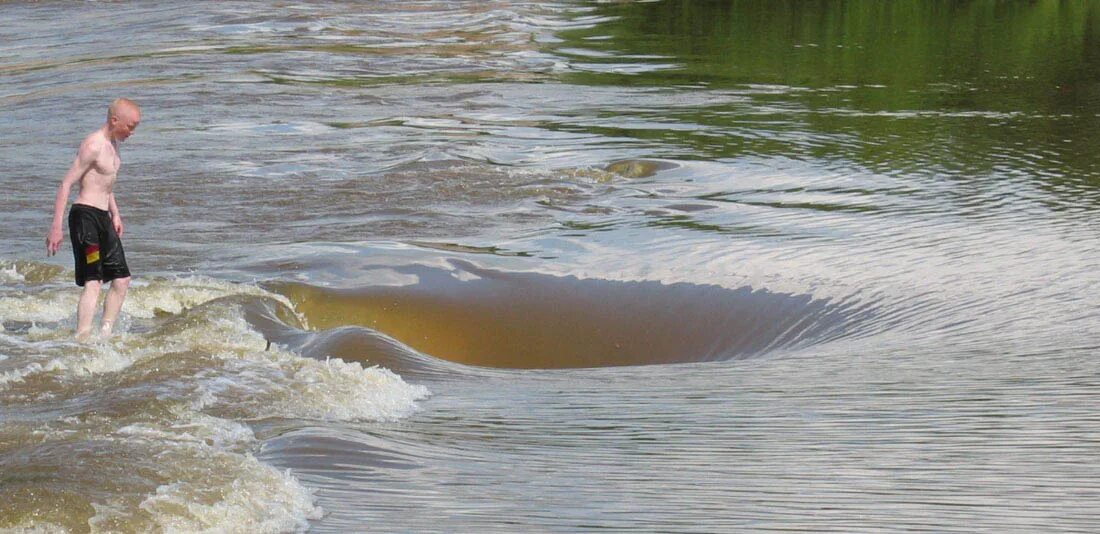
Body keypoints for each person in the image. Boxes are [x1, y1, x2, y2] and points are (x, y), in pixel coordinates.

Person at [45, 98, 141, 341]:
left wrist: (115, 214)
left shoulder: (113, 145)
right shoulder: (93, 145)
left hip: (102, 217)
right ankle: (83, 337)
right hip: (84, 218)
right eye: (131, 126)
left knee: (122, 279)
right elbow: (66, 183)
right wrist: (56, 227)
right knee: (94, 280)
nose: (132, 132)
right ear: (114, 120)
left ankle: (105, 334)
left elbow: (105, 185)